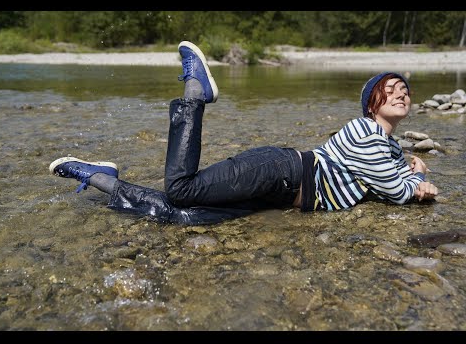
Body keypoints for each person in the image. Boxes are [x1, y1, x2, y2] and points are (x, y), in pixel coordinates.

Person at [49, 41, 438, 225]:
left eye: (406, 90)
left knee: (182, 215)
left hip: (280, 196)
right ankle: (196, 93)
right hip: (281, 171)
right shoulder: (365, 132)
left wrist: (410, 173)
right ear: (372, 102)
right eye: (391, 88)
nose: (402, 93)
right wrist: (417, 178)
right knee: (181, 189)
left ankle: (100, 178)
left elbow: (389, 179)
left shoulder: (385, 148)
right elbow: (397, 192)